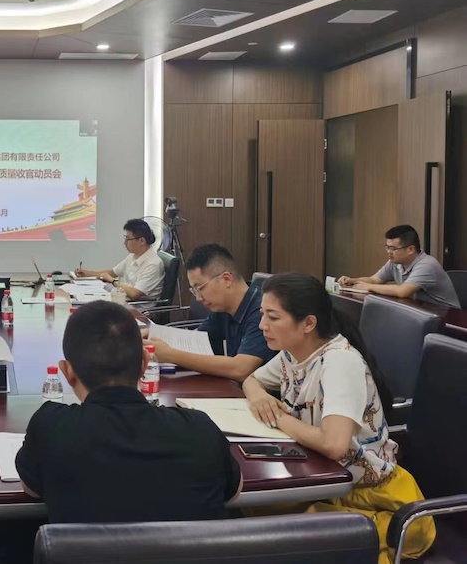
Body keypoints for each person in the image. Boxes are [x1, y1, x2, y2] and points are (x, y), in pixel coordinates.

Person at [242, 273, 435, 564]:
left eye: (273, 317)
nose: (262, 325)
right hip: (323, 481)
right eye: (262, 314)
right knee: (252, 516)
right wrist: (259, 397)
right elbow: (251, 380)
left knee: (276, 536)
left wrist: (277, 416)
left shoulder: (339, 362)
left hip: (375, 500)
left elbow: (334, 445)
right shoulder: (292, 354)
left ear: (308, 323)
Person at [15, 300, 241, 524]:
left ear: (67, 372)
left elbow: (31, 489)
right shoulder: (199, 429)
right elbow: (234, 492)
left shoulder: (51, 426)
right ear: (145, 363)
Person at [143, 244, 275, 382]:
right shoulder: (223, 307)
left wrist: (171, 355)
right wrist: (154, 333)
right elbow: (194, 340)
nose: (198, 298)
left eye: (200, 288)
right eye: (194, 291)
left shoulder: (262, 312)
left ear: (226, 279)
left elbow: (241, 369)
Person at [338, 224, 460, 308]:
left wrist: (368, 287)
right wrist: (352, 281)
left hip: (447, 318)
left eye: (393, 248)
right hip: (421, 312)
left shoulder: (427, 265)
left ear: (410, 249)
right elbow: (374, 279)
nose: (388, 252)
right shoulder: (395, 262)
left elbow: (403, 291)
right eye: (387, 247)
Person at [75, 219, 165, 300]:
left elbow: (134, 294)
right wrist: (88, 273)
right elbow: (112, 272)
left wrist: (112, 280)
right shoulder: (133, 256)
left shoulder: (153, 264)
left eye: (128, 239)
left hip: (136, 308)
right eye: (125, 238)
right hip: (122, 300)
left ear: (142, 241)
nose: (125, 243)